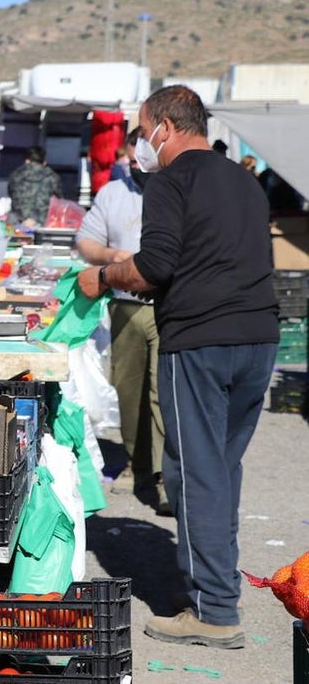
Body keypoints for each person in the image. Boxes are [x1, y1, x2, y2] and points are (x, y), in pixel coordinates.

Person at [78, 85, 279, 649]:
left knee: (195, 473)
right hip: (257, 337)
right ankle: (218, 588)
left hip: (200, 341)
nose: (143, 144)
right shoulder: (243, 179)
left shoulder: (171, 180)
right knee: (222, 469)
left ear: (165, 127)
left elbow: (155, 266)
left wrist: (102, 278)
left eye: (144, 133)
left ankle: (214, 611)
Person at [75, 128, 169, 516]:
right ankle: (138, 463)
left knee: (161, 388)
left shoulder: (175, 189)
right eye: (130, 161)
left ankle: (165, 475)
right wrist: (112, 256)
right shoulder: (113, 193)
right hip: (125, 304)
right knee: (128, 388)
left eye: (141, 160)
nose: (136, 167)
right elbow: (86, 241)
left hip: (167, 304)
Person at [8, 146, 61, 226]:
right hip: (44, 222)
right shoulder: (52, 176)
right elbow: (58, 199)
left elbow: (11, 194)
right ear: (44, 162)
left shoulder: (16, 175)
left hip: (19, 221)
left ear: (27, 161)